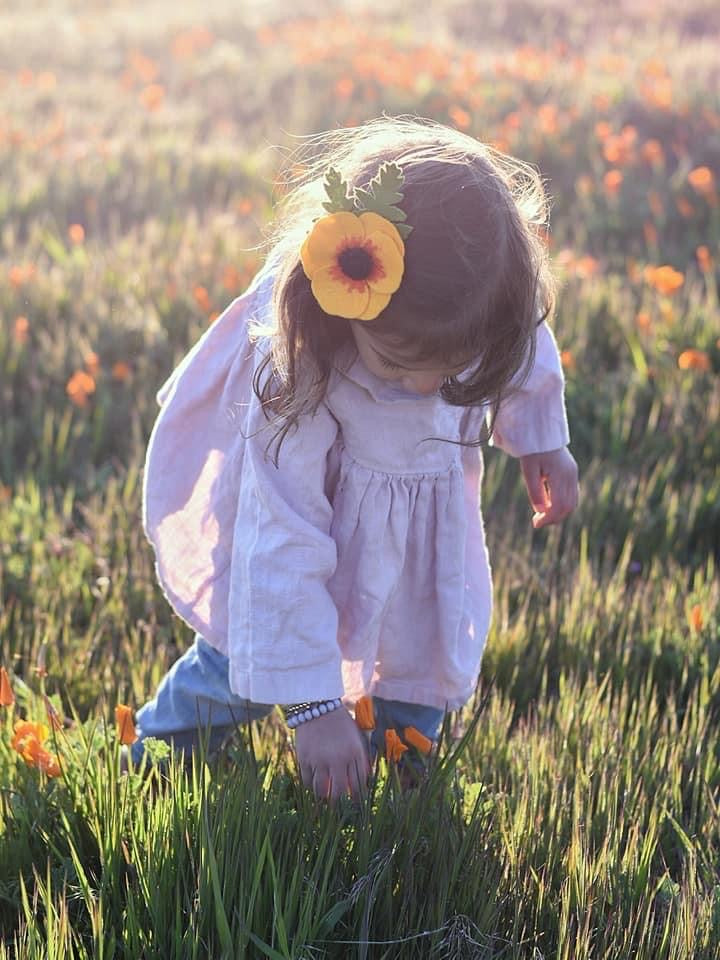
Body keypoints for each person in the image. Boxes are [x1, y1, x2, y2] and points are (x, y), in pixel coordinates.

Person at [132, 116, 579, 801]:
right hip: (299, 541)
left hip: (410, 550)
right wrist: (313, 708)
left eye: (457, 369)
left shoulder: (480, 306)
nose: (431, 389)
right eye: (403, 368)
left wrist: (542, 434)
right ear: (346, 303)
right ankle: (160, 756)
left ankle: (401, 770)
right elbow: (281, 542)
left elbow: (522, 339)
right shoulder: (300, 369)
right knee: (231, 668)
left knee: (413, 649)